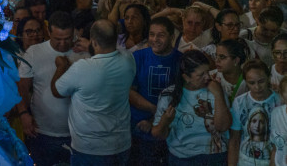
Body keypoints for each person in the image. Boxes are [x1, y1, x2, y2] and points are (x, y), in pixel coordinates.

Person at [52, 19, 135, 165]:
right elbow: (114, 50)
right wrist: (92, 46)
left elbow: (57, 91)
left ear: (93, 41)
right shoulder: (128, 60)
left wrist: (60, 66)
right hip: (121, 144)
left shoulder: (83, 67)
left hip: (90, 149)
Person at [16, 11, 78, 166]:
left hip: (77, 133)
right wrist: (23, 113)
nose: (63, 44)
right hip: (42, 132)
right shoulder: (34, 53)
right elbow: (22, 87)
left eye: (67, 39)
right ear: (48, 32)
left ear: (74, 33)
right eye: (58, 39)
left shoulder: (83, 51)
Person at [151, 50, 231, 164]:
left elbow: (222, 127)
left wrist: (218, 94)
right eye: (201, 74)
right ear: (186, 77)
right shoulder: (169, 96)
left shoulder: (215, 90)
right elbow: (158, 134)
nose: (207, 77)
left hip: (215, 155)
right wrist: (165, 121)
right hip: (182, 157)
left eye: (207, 72)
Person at [129, 17, 182, 164]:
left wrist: (156, 119)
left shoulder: (180, 60)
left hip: (168, 131)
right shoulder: (138, 57)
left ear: (172, 37)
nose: (155, 39)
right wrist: (155, 110)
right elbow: (129, 92)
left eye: (161, 35)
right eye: (152, 34)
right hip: (138, 129)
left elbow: (180, 96)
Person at [229, 60, 282, 165]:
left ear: (269, 77)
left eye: (261, 81)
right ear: (245, 82)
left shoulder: (280, 101)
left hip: (272, 160)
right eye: (251, 83)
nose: (257, 87)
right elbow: (235, 139)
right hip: (245, 160)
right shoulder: (239, 102)